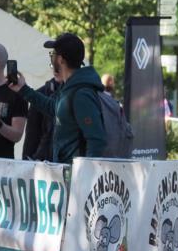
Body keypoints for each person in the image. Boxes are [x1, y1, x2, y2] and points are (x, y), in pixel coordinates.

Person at [8, 32, 107, 162]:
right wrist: (24, 90)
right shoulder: (69, 87)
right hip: (65, 172)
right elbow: (53, 107)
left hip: (75, 175)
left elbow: (96, 139)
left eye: (53, 54)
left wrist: (85, 174)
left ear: (60, 60)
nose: (52, 57)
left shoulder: (81, 94)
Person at [22, 61, 63, 162]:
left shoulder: (83, 94)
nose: (55, 70)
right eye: (52, 65)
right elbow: (31, 137)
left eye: (58, 65)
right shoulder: (42, 93)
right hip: (44, 166)